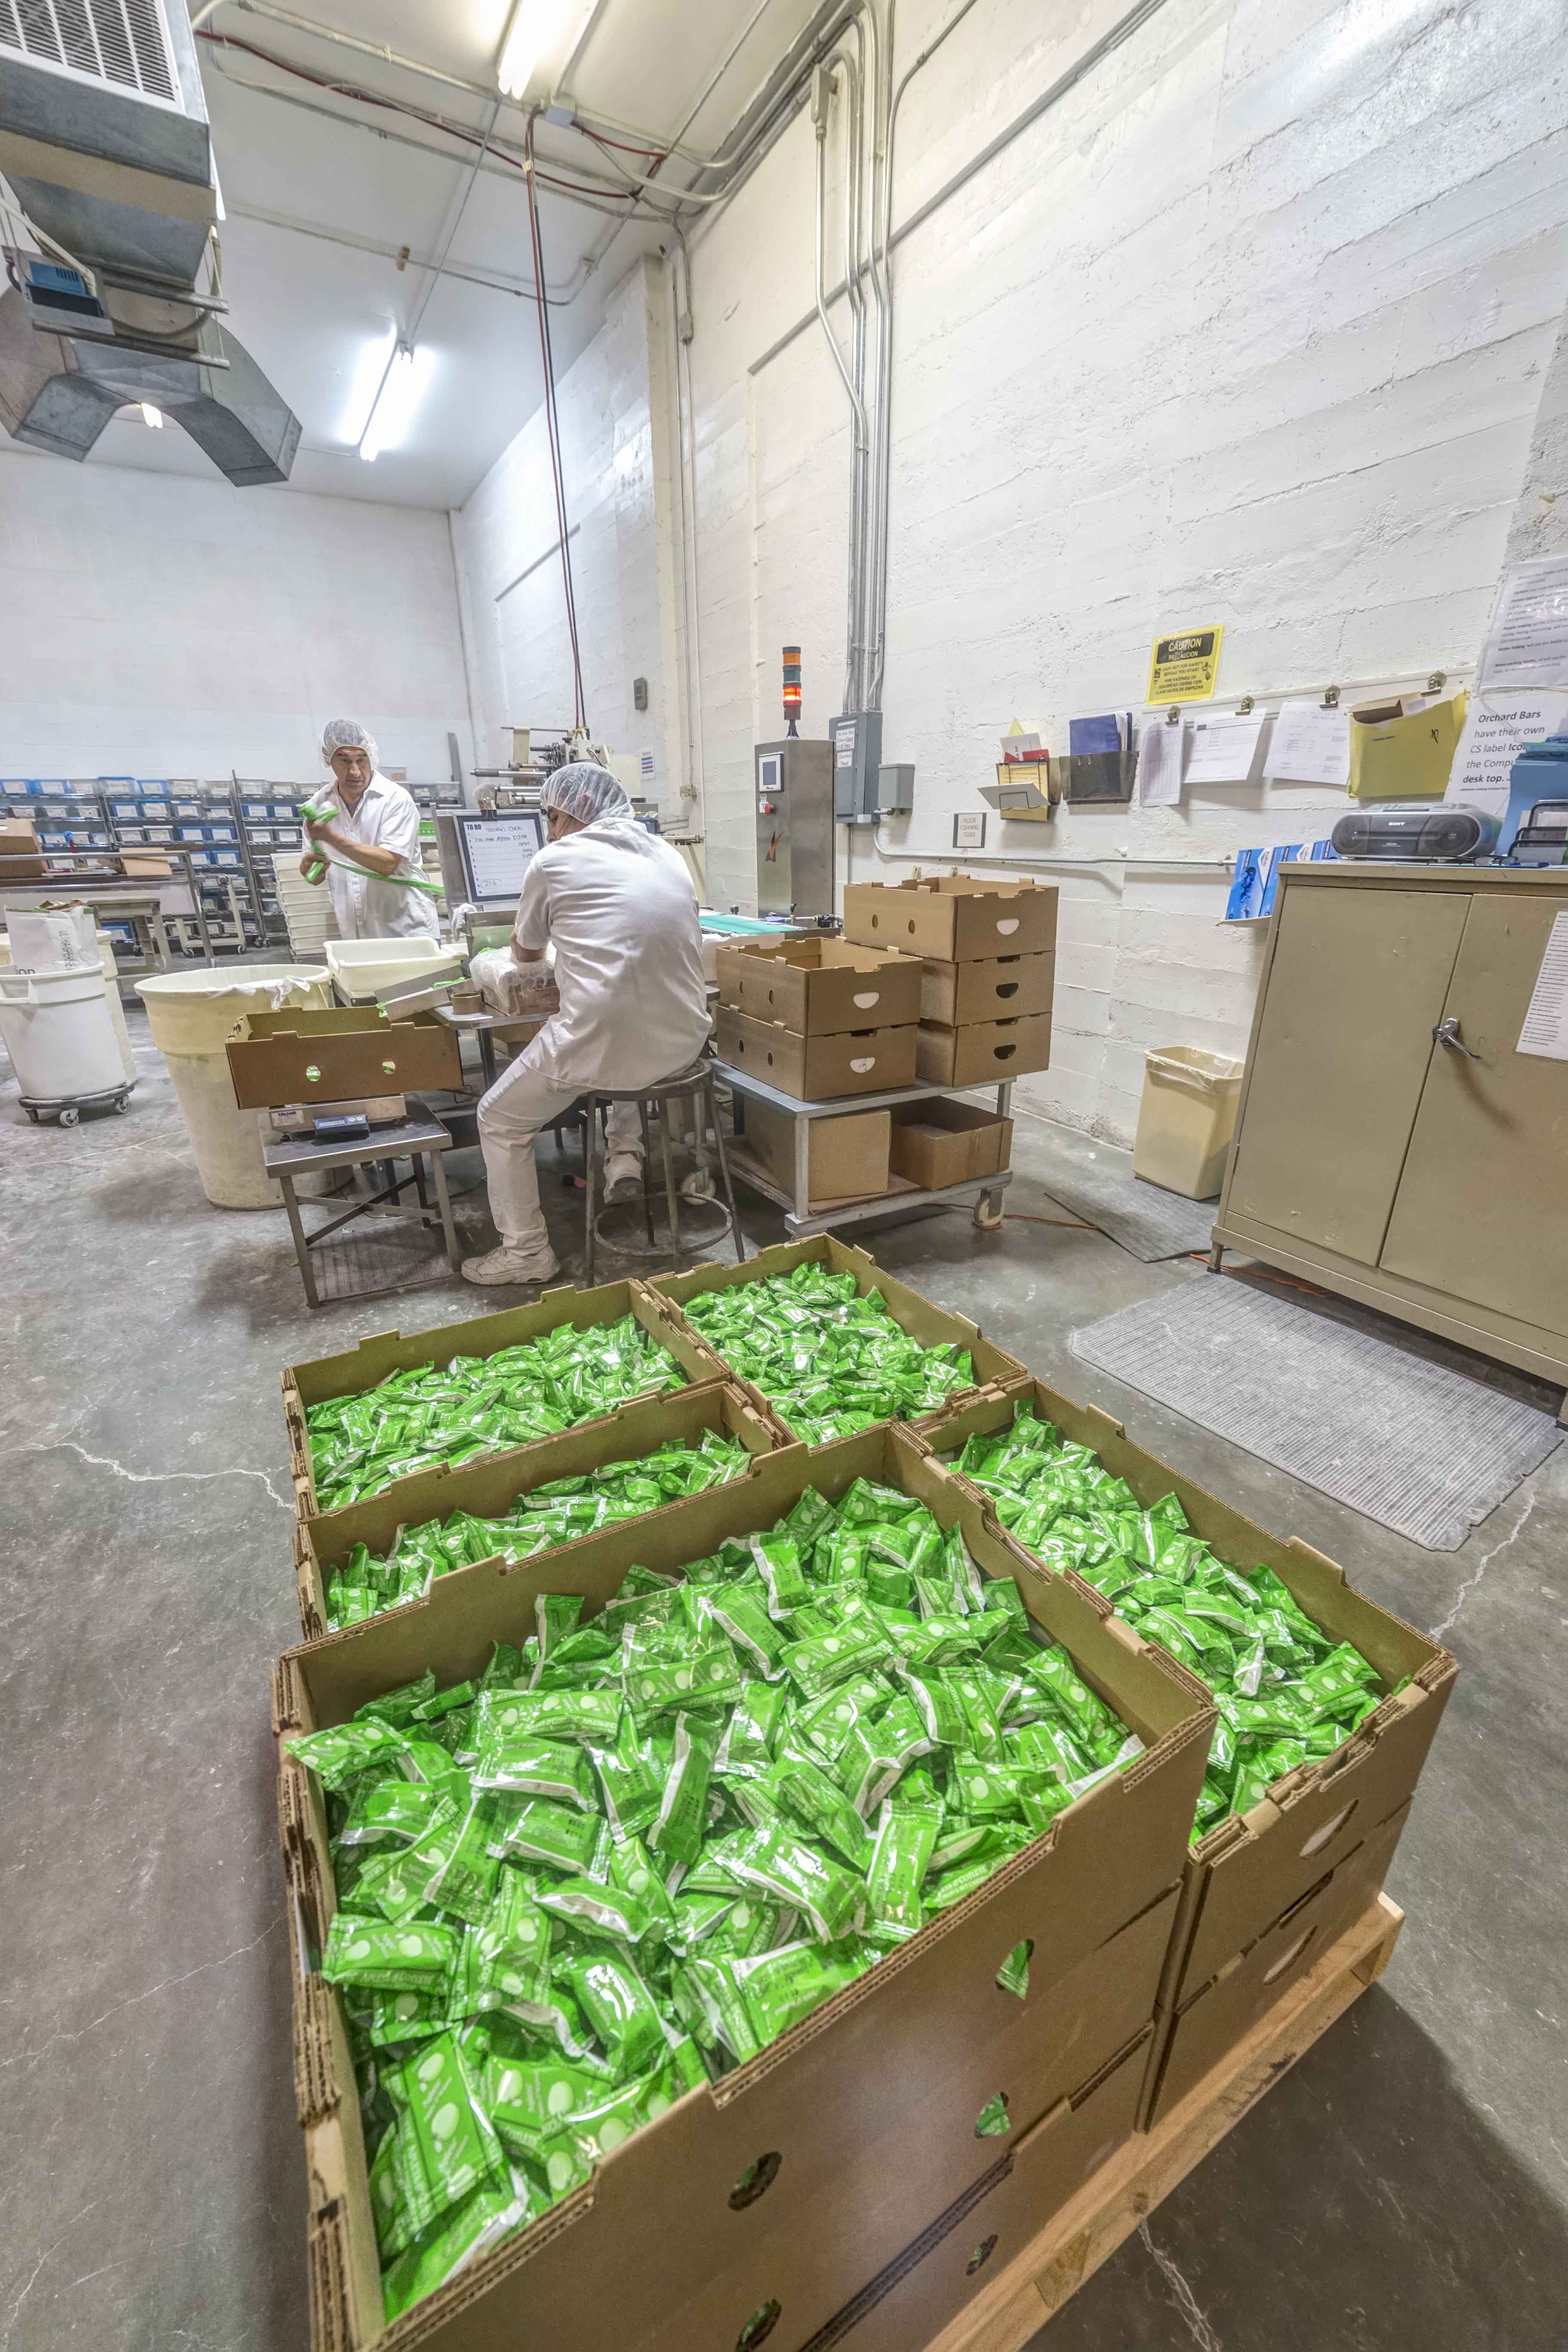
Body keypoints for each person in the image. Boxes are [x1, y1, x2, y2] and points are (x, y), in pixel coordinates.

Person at [462, 762, 711, 1286]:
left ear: (582, 810)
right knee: (626, 1042)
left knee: (498, 1118)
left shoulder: (552, 861)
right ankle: (624, 1160)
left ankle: (526, 1253)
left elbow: (527, 955)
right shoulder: (667, 853)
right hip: (685, 1041)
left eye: (554, 817)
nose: (551, 832)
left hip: (605, 1044)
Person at [299, 718, 439, 940]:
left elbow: (388, 864)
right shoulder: (319, 803)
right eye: (344, 761)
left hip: (404, 928)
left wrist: (331, 838)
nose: (355, 771)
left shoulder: (395, 799)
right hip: (354, 930)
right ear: (329, 760)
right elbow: (315, 874)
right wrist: (310, 869)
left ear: (371, 758)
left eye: (361, 760)